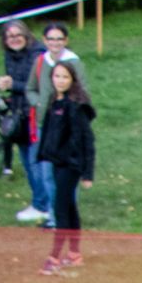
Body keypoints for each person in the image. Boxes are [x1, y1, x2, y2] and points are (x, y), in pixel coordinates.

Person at [22, 23, 86, 227]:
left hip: (66, 129)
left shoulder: (73, 62)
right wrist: (39, 103)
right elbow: (30, 89)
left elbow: (82, 94)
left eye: (59, 39)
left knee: (67, 175)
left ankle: (67, 217)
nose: (55, 43)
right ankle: (54, 215)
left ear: (65, 41)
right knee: (47, 173)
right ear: (44, 40)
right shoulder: (40, 61)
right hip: (44, 126)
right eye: (51, 39)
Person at [36, 61, 94, 275]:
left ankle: (54, 257)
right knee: (69, 207)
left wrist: (88, 173)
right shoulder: (54, 102)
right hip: (57, 163)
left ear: (72, 80)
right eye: (57, 76)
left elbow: (87, 140)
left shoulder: (76, 106)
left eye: (65, 77)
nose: (60, 81)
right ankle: (74, 254)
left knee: (60, 209)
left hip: (71, 164)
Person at [0, 20, 43, 180]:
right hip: (19, 114)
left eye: (18, 35)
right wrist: (6, 85)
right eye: (10, 36)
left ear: (26, 35)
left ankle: (46, 196)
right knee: (27, 162)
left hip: (37, 113)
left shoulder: (38, 54)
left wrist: (12, 84)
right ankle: (38, 196)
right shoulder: (9, 55)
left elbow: (38, 85)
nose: (14, 39)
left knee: (37, 163)